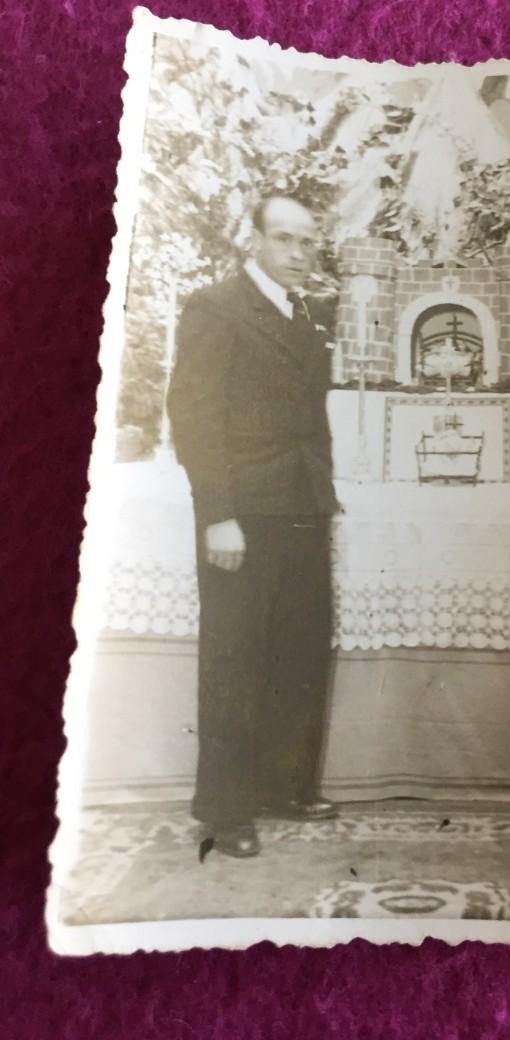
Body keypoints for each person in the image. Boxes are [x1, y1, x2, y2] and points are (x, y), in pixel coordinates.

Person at [167, 193, 339, 859]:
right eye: (286, 239)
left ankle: (281, 787)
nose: (299, 253)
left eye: (308, 242)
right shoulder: (216, 306)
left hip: (302, 504)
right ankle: (224, 811)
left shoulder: (308, 312)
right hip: (241, 514)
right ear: (256, 241)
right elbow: (194, 416)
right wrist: (218, 516)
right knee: (235, 659)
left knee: (298, 650)